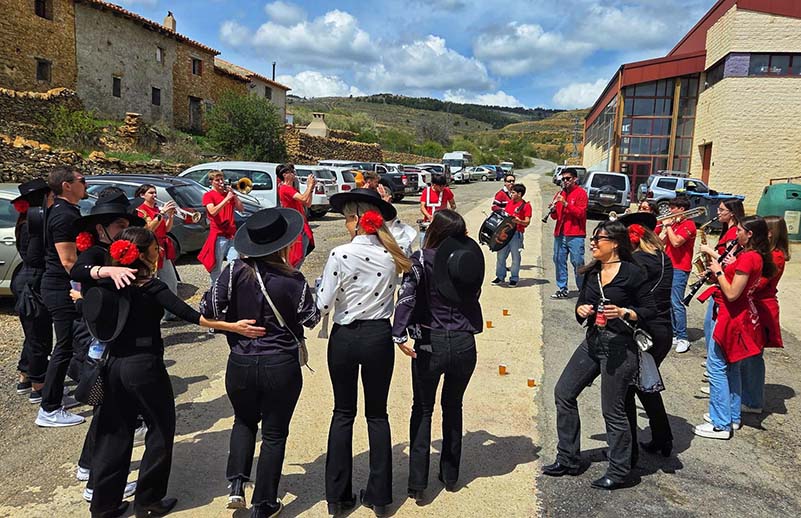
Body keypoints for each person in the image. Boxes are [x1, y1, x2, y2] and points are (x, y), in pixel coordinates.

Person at [88, 227, 265, 518]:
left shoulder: (109, 283)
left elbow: (81, 278)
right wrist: (232, 326)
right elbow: (192, 316)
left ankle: (103, 505)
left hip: (114, 365)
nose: (159, 251)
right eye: (155, 248)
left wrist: (87, 287)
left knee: (114, 435)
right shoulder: (152, 287)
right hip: (145, 366)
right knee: (159, 430)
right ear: (142, 255)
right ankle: (148, 502)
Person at [200, 208, 321, 517]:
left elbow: (209, 307)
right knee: (274, 434)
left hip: (240, 360)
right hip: (280, 363)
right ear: (284, 244)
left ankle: (237, 485)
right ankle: (264, 503)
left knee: (243, 421)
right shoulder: (293, 279)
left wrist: (233, 322)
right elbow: (311, 318)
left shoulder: (233, 272)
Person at [316, 189, 411, 517]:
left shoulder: (340, 254)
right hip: (378, 337)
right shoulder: (392, 255)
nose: (345, 224)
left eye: (347, 218)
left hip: (345, 337)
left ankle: (337, 496)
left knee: (342, 413)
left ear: (357, 220)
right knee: (377, 415)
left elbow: (323, 304)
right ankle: (380, 497)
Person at [543, 220, 656, 490]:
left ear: (614, 243)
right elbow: (583, 301)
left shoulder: (633, 273)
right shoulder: (593, 271)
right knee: (563, 393)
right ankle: (568, 459)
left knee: (612, 410)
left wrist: (626, 312)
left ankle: (619, 471)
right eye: (593, 239)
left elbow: (651, 310)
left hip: (620, 346)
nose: (592, 243)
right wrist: (581, 309)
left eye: (598, 239)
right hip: (594, 341)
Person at [392, 209, 484, 501]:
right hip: (464, 342)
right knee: (453, 406)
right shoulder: (469, 260)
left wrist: (399, 333)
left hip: (431, 341)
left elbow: (407, 296)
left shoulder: (421, 259)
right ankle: (450, 474)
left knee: (422, 408)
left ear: (435, 231)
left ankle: (418, 483)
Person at [69, 188, 146, 504]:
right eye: (119, 225)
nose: (124, 231)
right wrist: (105, 271)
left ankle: (88, 466)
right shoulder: (95, 254)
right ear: (100, 228)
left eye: (127, 225)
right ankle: (99, 485)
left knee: (107, 411)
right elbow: (77, 270)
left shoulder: (121, 252)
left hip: (116, 340)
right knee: (111, 414)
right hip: (100, 343)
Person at [693, 216, 775, 440]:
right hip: (737, 315)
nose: (735, 233)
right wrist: (719, 268)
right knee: (731, 368)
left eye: (739, 230)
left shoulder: (749, 258)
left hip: (730, 316)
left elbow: (731, 293)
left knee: (717, 367)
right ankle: (732, 416)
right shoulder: (752, 256)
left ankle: (720, 423)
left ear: (750, 234)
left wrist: (718, 270)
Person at [36, 166, 89, 428]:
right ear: (66, 185)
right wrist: (89, 282)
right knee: (65, 346)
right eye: (81, 180)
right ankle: (49, 408)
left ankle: (54, 396)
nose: (85, 184)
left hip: (60, 285)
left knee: (69, 345)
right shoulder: (63, 215)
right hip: (61, 287)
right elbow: (68, 261)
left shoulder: (65, 211)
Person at [618, 213, 675, 457]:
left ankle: (627, 451)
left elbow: (625, 293)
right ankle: (663, 437)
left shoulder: (638, 261)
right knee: (645, 385)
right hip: (663, 330)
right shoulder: (662, 257)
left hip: (645, 332)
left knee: (626, 389)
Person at [741, 215, 789, 413]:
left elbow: (760, 283)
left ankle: (753, 401)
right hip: (755, 303)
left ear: (770, 233)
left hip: (762, 307)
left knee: (753, 356)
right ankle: (744, 393)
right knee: (746, 354)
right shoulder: (766, 253)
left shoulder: (776, 256)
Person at [11, 179, 53, 403]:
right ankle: (39, 386)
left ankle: (25, 375)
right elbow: (34, 258)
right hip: (32, 284)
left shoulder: (28, 221)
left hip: (28, 280)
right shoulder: (32, 225)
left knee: (33, 333)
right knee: (39, 336)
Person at [135, 184, 179, 319]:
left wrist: (170, 216)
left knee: (171, 282)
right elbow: (148, 229)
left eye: (155, 193)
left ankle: (170, 313)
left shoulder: (157, 209)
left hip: (163, 248)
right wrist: (162, 213)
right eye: (151, 193)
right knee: (150, 282)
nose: (154, 195)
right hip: (150, 250)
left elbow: (166, 230)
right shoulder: (141, 211)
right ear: (142, 195)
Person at [659, 195, 696, 353]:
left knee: (676, 303)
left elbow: (676, 242)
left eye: (673, 208)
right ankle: (674, 333)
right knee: (668, 301)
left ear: (681, 209)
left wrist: (668, 226)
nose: (670, 211)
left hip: (680, 268)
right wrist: (665, 228)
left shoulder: (689, 225)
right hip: (669, 266)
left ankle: (683, 337)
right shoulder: (674, 224)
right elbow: (661, 242)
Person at [549, 167, 587, 299]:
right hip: (560, 233)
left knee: (578, 262)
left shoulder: (581, 193)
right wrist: (553, 210)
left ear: (575, 179)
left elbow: (580, 213)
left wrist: (565, 204)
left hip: (575, 233)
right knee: (559, 260)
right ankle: (562, 288)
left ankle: (582, 288)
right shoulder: (560, 194)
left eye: (568, 178)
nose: (565, 181)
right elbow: (555, 217)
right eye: (563, 179)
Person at [198, 170, 243, 283]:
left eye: (222, 179)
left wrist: (234, 195)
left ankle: (231, 287)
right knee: (216, 267)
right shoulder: (208, 195)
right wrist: (226, 199)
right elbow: (212, 211)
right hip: (218, 236)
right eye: (217, 180)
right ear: (211, 182)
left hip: (232, 234)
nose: (221, 182)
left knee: (235, 264)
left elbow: (241, 208)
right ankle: (215, 289)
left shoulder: (228, 194)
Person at [491, 183, 532, 287]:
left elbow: (527, 222)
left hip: (516, 234)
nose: (511, 194)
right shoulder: (509, 203)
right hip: (505, 232)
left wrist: (519, 221)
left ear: (519, 194)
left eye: (513, 192)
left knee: (515, 257)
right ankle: (500, 276)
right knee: (500, 255)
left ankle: (514, 278)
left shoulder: (526, 206)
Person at [276, 163, 316, 269]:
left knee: (302, 253)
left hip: (301, 223)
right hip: (295, 225)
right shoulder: (285, 188)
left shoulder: (292, 189)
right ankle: (292, 273)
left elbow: (307, 203)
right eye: (291, 172)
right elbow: (303, 198)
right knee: (297, 255)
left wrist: (311, 189)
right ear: (285, 175)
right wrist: (309, 186)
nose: (294, 174)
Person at [419, 175, 455, 247]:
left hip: (442, 223)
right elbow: (422, 207)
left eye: (444, 186)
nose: (442, 188)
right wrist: (428, 216)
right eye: (440, 186)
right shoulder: (426, 192)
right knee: (426, 244)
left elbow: (453, 204)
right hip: (429, 221)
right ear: (434, 185)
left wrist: (448, 214)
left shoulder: (447, 191)